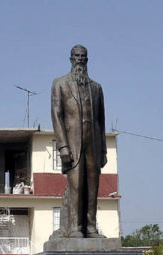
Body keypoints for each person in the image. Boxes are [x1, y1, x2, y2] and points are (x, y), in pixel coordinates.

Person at [50, 44, 107, 238]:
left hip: (93, 144)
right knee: (76, 185)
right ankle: (75, 227)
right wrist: (63, 146)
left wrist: (104, 151)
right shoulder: (60, 84)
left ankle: (90, 227)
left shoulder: (96, 88)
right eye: (76, 56)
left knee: (93, 186)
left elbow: (101, 121)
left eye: (83, 56)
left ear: (87, 60)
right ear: (71, 59)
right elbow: (57, 116)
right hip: (72, 145)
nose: (80, 59)